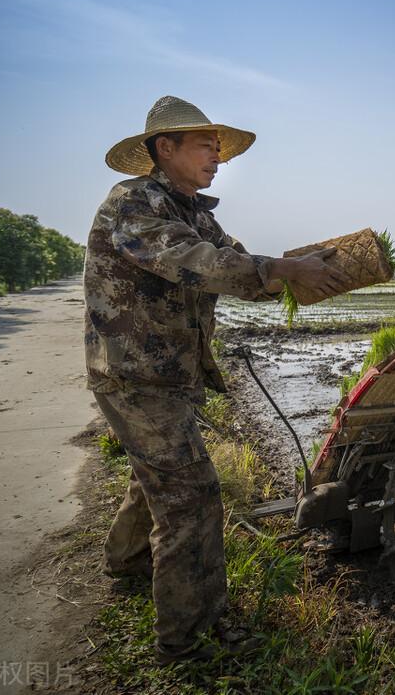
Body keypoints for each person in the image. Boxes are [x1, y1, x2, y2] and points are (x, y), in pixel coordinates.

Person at [84, 95, 350, 663]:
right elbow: (197, 262)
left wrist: (306, 270)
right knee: (190, 494)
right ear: (166, 148)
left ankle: (127, 561)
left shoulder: (196, 211)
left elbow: (237, 264)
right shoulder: (134, 204)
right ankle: (188, 638)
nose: (218, 155)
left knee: (157, 473)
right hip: (134, 374)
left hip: (170, 370)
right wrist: (280, 269)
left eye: (219, 146)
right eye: (206, 144)